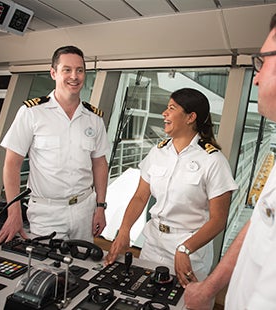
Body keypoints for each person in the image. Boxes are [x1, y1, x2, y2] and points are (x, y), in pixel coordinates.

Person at [184, 13, 276, 310]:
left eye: (262, 62)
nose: (257, 76)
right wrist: (209, 288)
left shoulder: (213, 159)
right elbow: (259, 223)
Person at [105, 87, 238, 287]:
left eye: (172, 108)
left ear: (190, 117)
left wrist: (185, 248)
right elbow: (141, 197)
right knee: (145, 293)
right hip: (152, 243)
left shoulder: (213, 161)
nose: (164, 113)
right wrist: (124, 231)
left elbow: (218, 220)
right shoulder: (157, 152)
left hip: (189, 250)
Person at [0, 45, 110, 246]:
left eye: (80, 70)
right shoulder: (32, 112)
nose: (74, 76)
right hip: (47, 213)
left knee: (81, 270)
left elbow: (100, 164)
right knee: (46, 271)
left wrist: (100, 206)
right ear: (53, 73)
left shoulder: (94, 118)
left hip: (84, 210)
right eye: (67, 70)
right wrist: (14, 212)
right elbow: (11, 164)